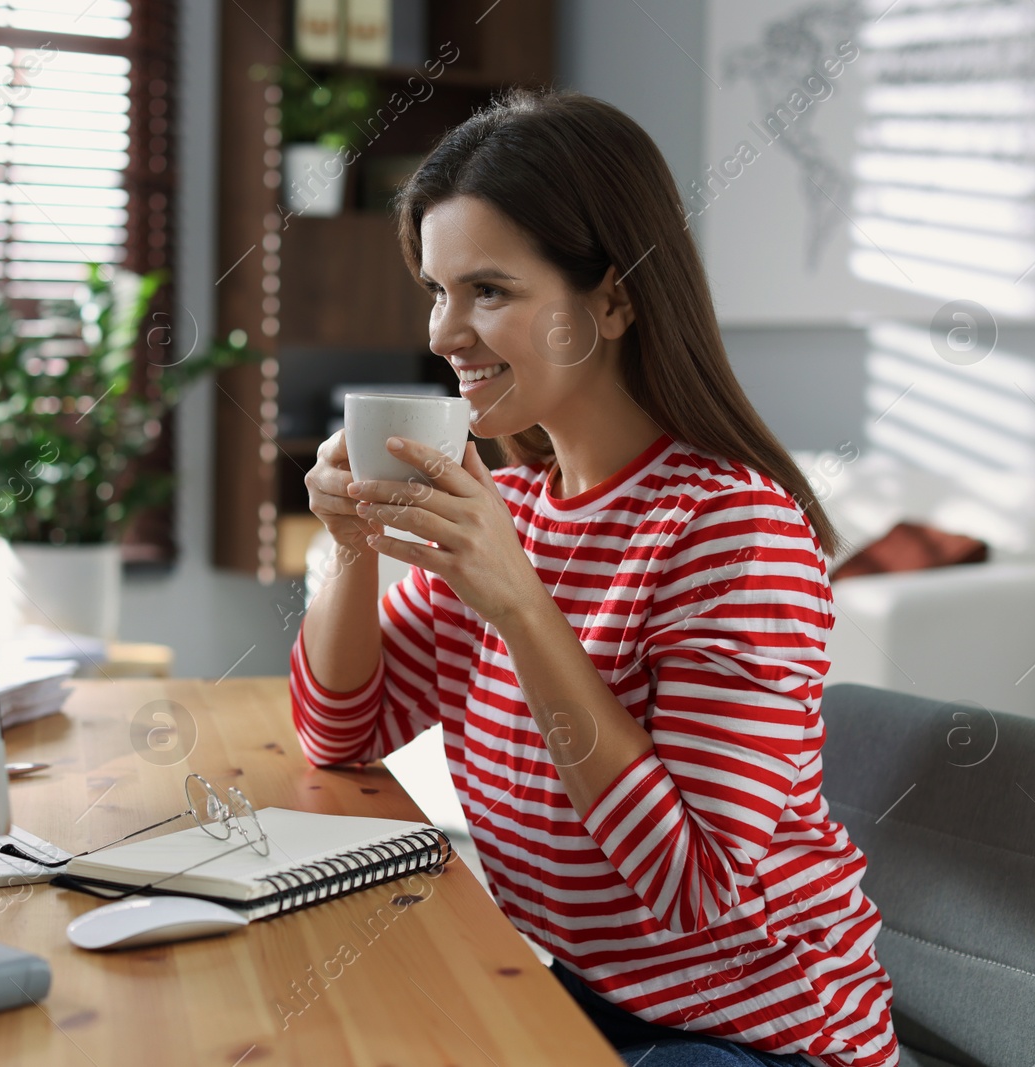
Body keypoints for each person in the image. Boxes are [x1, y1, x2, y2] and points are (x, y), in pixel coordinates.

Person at [290, 89, 898, 1067]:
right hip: (595, 992)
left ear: (611, 299)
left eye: (488, 290)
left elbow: (694, 884)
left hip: (763, 1031)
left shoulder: (731, 529)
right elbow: (339, 730)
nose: (445, 333)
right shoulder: (514, 507)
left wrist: (519, 603)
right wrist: (352, 542)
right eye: (436, 291)